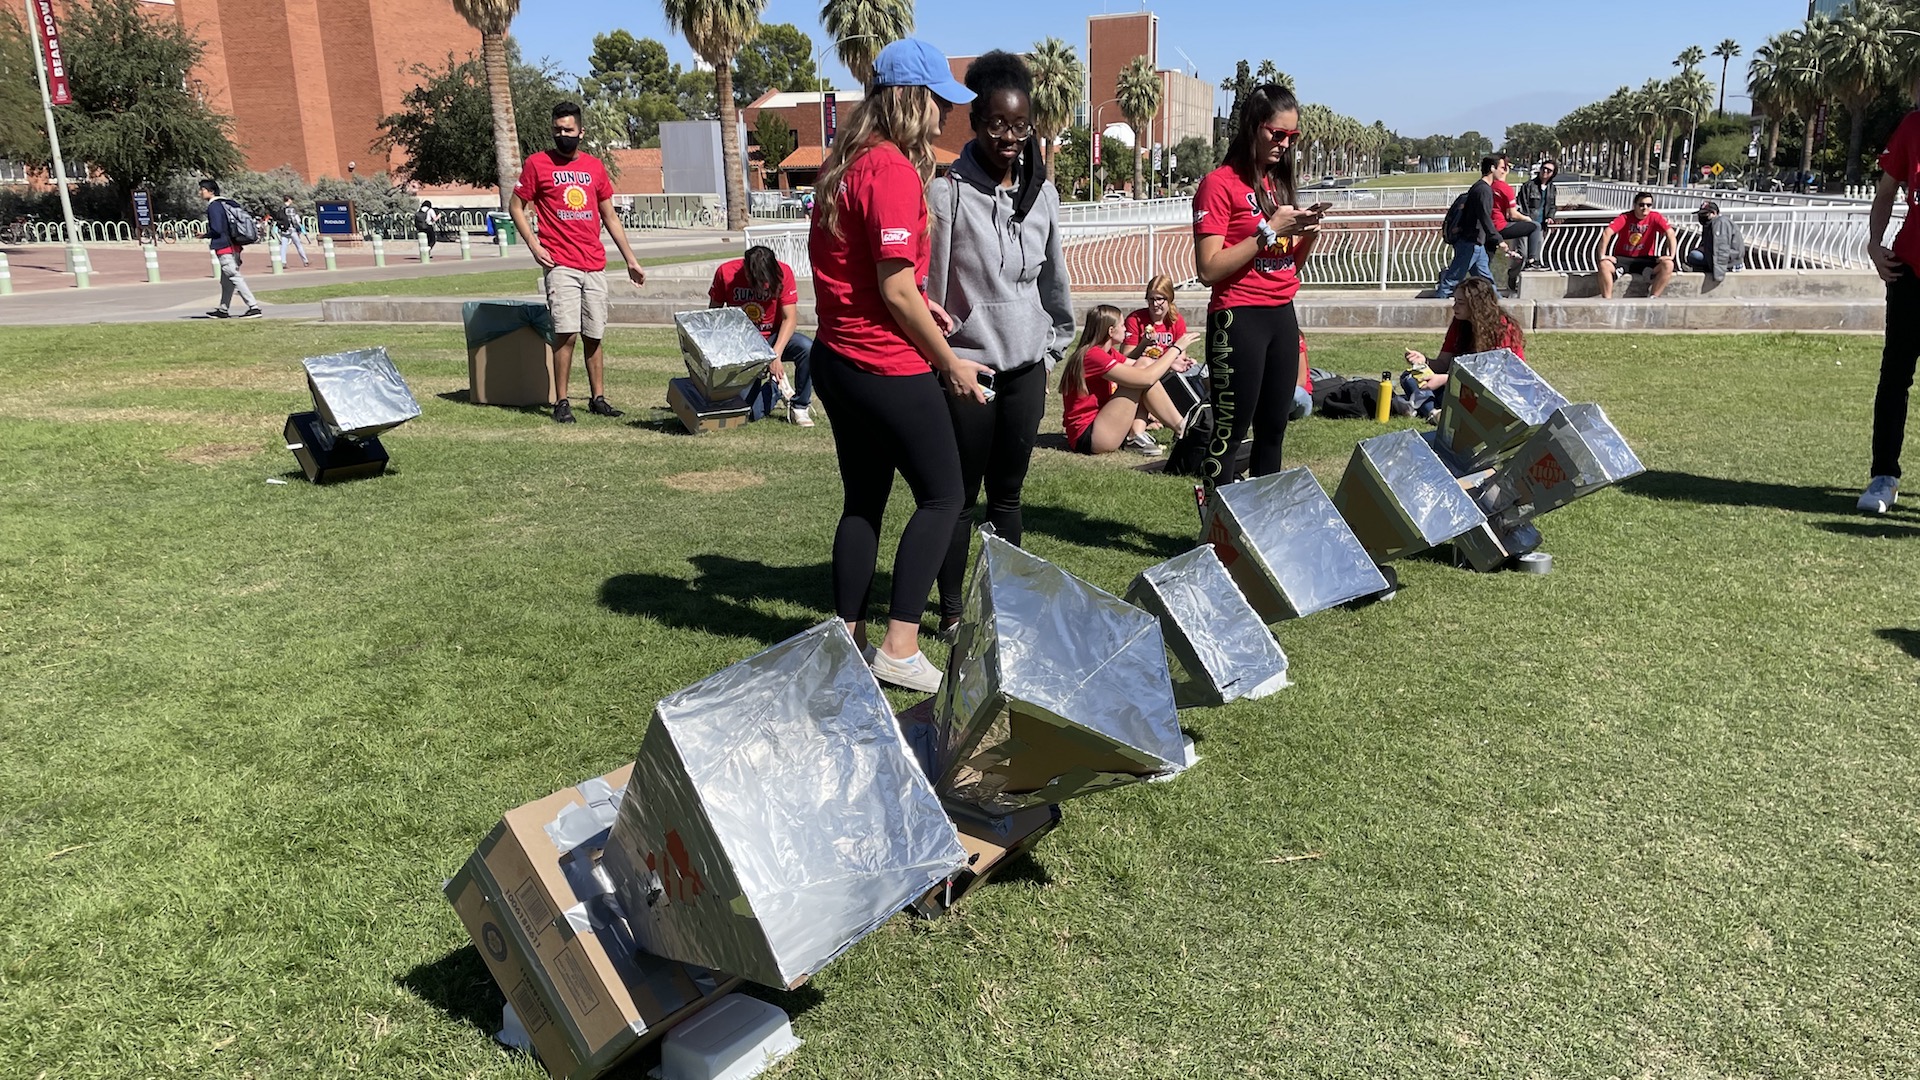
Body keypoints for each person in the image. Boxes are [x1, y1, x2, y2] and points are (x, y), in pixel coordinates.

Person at [806, 38, 986, 693]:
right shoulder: (889, 170)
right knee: (944, 494)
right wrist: (951, 364)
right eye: (940, 100)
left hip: (837, 359)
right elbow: (893, 288)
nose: (946, 113)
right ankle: (900, 645)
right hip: (881, 366)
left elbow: (876, 278)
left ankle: (847, 637)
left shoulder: (841, 165)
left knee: (864, 500)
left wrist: (924, 307)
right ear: (912, 100)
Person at [926, 50, 1076, 640]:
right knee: (960, 499)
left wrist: (1050, 350)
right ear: (974, 122)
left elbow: (1054, 280)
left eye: (1020, 126)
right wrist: (946, 364)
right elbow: (933, 291)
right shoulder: (949, 195)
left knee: (1008, 497)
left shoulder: (1043, 196)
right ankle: (951, 613)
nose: (1010, 138)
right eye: (996, 125)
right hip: (969, 372)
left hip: (1025, 371)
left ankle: (1004, 607)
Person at [1190, 82, 1323, 491]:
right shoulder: (1219, 184)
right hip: (1238, 318)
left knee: (1273, 430)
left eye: (1291, 137)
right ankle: (1213, 529)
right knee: (1229, 435)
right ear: (1253, 127)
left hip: (1281, 316)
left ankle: (1263, 528)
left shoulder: (1274, 184)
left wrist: (1308, 235)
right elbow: (1208, 269)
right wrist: (1269, 230)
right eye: (1276, 134)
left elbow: (1285, 267)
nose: (1284, 144)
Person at [509, 100, 648, 423]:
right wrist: (533, 245)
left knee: (594, 334)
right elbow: (516, 206)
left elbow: (609, 215)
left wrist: (631, 260)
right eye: (557, 130)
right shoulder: (537, 164)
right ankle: (561, 402)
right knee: (566, 333)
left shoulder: (594, 167)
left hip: (594, 264)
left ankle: (598, 398)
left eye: (568, 130)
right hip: (560, 264)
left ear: (581, 132)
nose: (562, 135)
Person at [1859, 74, 1920, 515]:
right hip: (1910, 272)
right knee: (1895, 375)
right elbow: (1885, 194)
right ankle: (1884, 476)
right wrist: (1874, 245)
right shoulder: (1913, 126)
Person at [1060, 304, 1193, 455]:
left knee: (1143, 365)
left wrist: (1173, 363)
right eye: (1122, 325)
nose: (1125, 329)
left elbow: (1144, 366)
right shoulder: (1093, 355)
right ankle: (1184, 429)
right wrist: (1176, 349)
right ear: (1111, 331)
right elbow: (1146, 377)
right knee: (1142, 373)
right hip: (1089, 437)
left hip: (1101, 426)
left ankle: (1148, 433)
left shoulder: (1106, 352)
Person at [707, 245, 815, 426]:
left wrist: (775, 354)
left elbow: (790, 319)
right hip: (742, 344)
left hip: (773, 337)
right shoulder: (726, 273)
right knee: (746, 413)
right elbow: (714, 316)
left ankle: (800, 406)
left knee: (807, 348)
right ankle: (776, 388)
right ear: (746, 271)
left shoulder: (784, 273)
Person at [1403, 277, 1526, 418]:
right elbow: (1443, 363)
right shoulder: (1459, 322)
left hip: (1494, 391)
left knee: (1456, 394)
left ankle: (1422, 407)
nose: (1454, 307)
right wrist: (1424, 361)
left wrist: (1445, 380)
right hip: (1459, 383)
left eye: (1460, 303)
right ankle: (1433, 412)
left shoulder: (1503, 327)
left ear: (1477, 305)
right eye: (1455, 301)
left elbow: (1496, 377)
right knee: (1409, 377)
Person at [1123, 274, 1202, 447]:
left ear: (1169, 299)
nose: (1155, 304)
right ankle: (1179, 427)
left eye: (1160, 299)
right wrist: (1144, 343)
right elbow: (1126, 359)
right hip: (1141, 372)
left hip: (1166, 375)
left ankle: (1140, 431)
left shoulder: (1175, 321)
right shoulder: (1135, 319)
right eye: (1151, 299)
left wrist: (1185, 362)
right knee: (1144, 374)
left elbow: (1180, 358)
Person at [1435, 156, 1513, 299]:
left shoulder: (1479, 188)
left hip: (1476, 243)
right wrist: (1498, 239)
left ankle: (1501, 308)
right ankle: (1435, 310)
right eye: (1502, 168)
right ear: (1492, 169)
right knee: (1452, 280)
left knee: (1486, 282)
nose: (1504, 172)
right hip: (1470, 243)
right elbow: (1484, 217)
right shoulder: (1483, 190)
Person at [199, 179, 262, 319]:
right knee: (226, 280)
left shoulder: (214, 206)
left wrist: (205, 235)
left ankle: (253, 307)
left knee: (234, 276)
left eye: (202, 189)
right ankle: (223, 309)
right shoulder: (229, 203)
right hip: (235, 245)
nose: (200, 192)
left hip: (224, 246)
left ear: (211, 191)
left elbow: (217, 229)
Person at [1597, 192, 1677, 299]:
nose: (1645, 208)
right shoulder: (1625, 217)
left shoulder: (1655, 217)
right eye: (1641, 205)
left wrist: (1671, 255)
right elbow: (1606, 233)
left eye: (1649, 205)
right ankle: (1607, 301)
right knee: (1604, 265)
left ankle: (1653, 298)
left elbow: (1670, 233)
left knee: (1669, 265)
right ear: (1634, 205)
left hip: (1646, 260)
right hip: (1623, 259)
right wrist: (1603, 255)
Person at [1488, 157, 1536, 292]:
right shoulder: (1505, 188)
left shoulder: (1487, 187)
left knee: (1482, 264)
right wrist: (1527, 219)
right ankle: (1534, 261)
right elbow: (1513, 214)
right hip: (1499, 228)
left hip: (1488, 230)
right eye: (1503, 167)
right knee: (1535, 227)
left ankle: (1491, 292)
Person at [1515, 160, 1560, 271]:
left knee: (1535, 256)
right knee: (1523, 254)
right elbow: (1521, 204)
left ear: (1553, 173)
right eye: (1543, 168)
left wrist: (1550, 216)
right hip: (1526, 225)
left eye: (1549, 170)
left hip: (1540, 226)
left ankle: (1526, 279)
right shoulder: (1528, 186)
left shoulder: (1552, 188)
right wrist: (1526, 218)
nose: (1545, 171)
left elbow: (1552, 206)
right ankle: (1513, 275)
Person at [1683, 201, 1744, 280]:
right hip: (1720, 255)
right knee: (1695, 254)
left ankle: (1706, 269)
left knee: (1694, 256)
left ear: (1714, 213)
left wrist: (1718, 274)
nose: (1701, 216)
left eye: (1705, 214)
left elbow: (1722, 249)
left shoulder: (1720, 223)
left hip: (1731, 261)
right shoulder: (1710, 224)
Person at [276, 195, 310, 268]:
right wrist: (299, 228)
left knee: (283, 246)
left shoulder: (280, 208)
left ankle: (283, 262)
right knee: (298, 245)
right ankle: (305, 261)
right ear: (289, 200)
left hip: (283, 230)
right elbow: (295, 220)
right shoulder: (291, 209)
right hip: (292, 230)